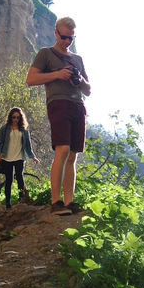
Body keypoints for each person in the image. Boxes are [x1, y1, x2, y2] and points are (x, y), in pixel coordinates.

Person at [26, 17, 91, 215]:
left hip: (78, 105)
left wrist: (78, 79)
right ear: (56, 33)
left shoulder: (77, 59)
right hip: (58, 103)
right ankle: (56, 202)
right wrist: (57, 74)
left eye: (70, 38)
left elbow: (88, 90)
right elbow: (31, 79)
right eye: (63, 37)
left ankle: (69, 202)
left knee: (73, 155)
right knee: (62, 149)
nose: (66, 41)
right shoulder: (46, 53)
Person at [0, 107, 40, 209]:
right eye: (13, 117)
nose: (15, 119)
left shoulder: (24, 131)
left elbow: (28, 146)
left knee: (20, 177)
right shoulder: (5, 129)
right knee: (9, 180)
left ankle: (21, 199)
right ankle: (8, 203)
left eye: (18, 117)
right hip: (7, 157)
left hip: (20, 157)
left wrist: (33, 157)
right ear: (10, 117)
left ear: (21, 118)